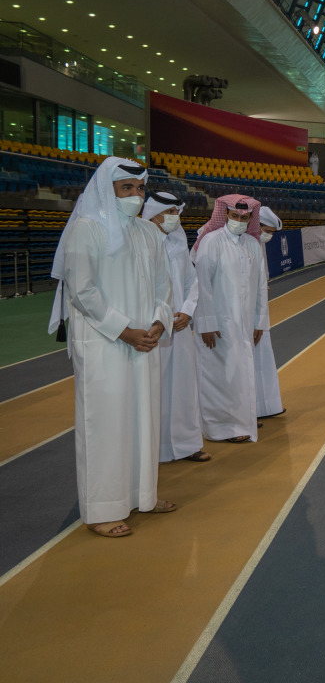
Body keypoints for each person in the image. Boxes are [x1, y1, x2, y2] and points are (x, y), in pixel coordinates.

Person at [49, 157, 177, 537]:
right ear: (109, 189)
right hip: (105, 343)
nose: (135, 196)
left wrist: (157, 323)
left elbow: (163, 288)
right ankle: (103, 509)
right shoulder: (86, 229)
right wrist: (126, 332)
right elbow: (82, 290)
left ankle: (143, 496)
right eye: (127, 189)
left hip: (145, 342)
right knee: (105, 425)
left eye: (140, 189)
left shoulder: (149, 233)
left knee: (143, 420)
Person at [193, 195, 269, 444]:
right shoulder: (212, 242)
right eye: (234, 216)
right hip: (218, 326)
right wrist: (206, 323)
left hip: (245, 323)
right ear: (224, 215)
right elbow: (201, 285)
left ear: (250, 219)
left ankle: (239, 423)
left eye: (244, 218)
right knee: (218, 376)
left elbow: (260, 287)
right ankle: (219, 428)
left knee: (239, 374)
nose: (238, 221)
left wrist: (259, 322)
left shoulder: (253, 245)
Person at [142, 192, 209, 464]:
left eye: (175, 212)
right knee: (153, 390)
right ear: (154, 213)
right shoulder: (141, 241)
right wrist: (162, 317)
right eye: (168, 212)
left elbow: (193, 281)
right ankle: (152, 451)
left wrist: (187, 311)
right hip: (151, 328)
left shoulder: (179, 241)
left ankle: (186, 445)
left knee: (183, 387)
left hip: (180, 326)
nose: (174, 217)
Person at [254, 206, 286, 422]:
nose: (269, 236)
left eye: (273, 233)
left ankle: (266, 405)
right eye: (267, 230)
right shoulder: (245, 242)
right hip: (244, 312)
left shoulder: (257, 243)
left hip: (259, 310)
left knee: (263, 357)